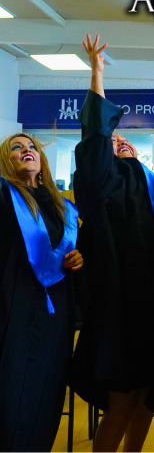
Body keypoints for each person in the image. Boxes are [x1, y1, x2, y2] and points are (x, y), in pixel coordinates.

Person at [70, 35, 154, 453]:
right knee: (122, 400)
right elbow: (96, 136)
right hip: (117, 305)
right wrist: (97, 74)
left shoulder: (152, 185)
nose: (121, 142)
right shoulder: (101, 184)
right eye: (114, 143)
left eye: (126, 141)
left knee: (149, 395)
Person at [0, 132, 82, 452]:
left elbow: (67, 251)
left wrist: (78, 258)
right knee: (11, 394)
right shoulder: (4, 195)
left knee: (46, 393)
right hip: (13, 304)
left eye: (32, 146)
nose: (27, 150)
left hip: (55, 310)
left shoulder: (63, 207)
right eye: (16, 148)